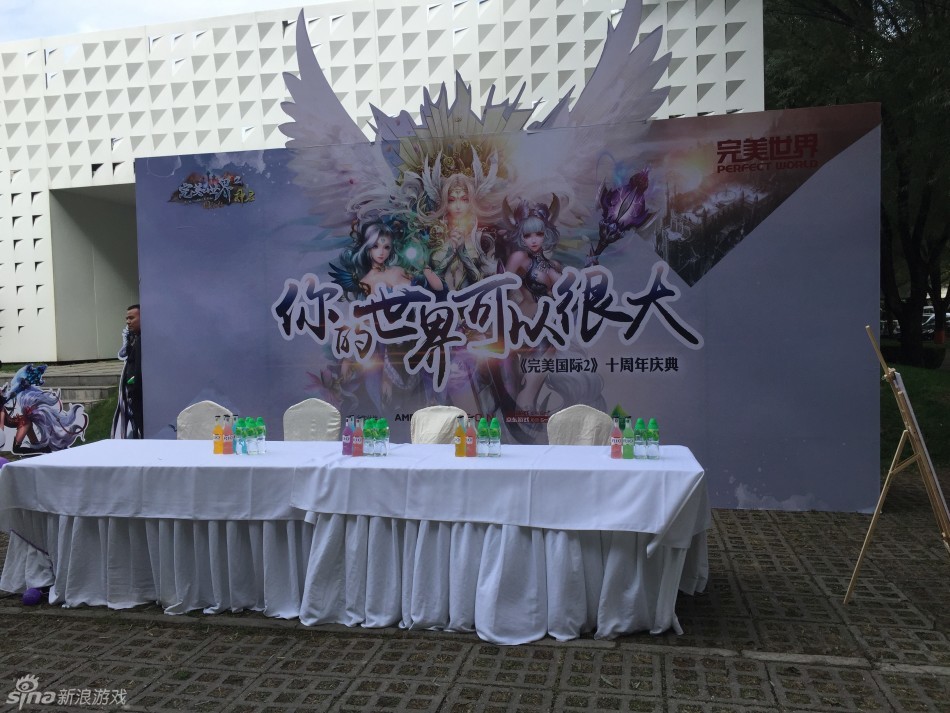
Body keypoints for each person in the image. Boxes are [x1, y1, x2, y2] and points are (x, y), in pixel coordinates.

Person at [111, 304, 143, 439]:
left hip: (138, 398)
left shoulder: (142, 342)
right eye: (126, 319)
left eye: (131, 318)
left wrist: (130, 385)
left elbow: (135, 375)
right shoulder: (135, 340)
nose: (128, 322)